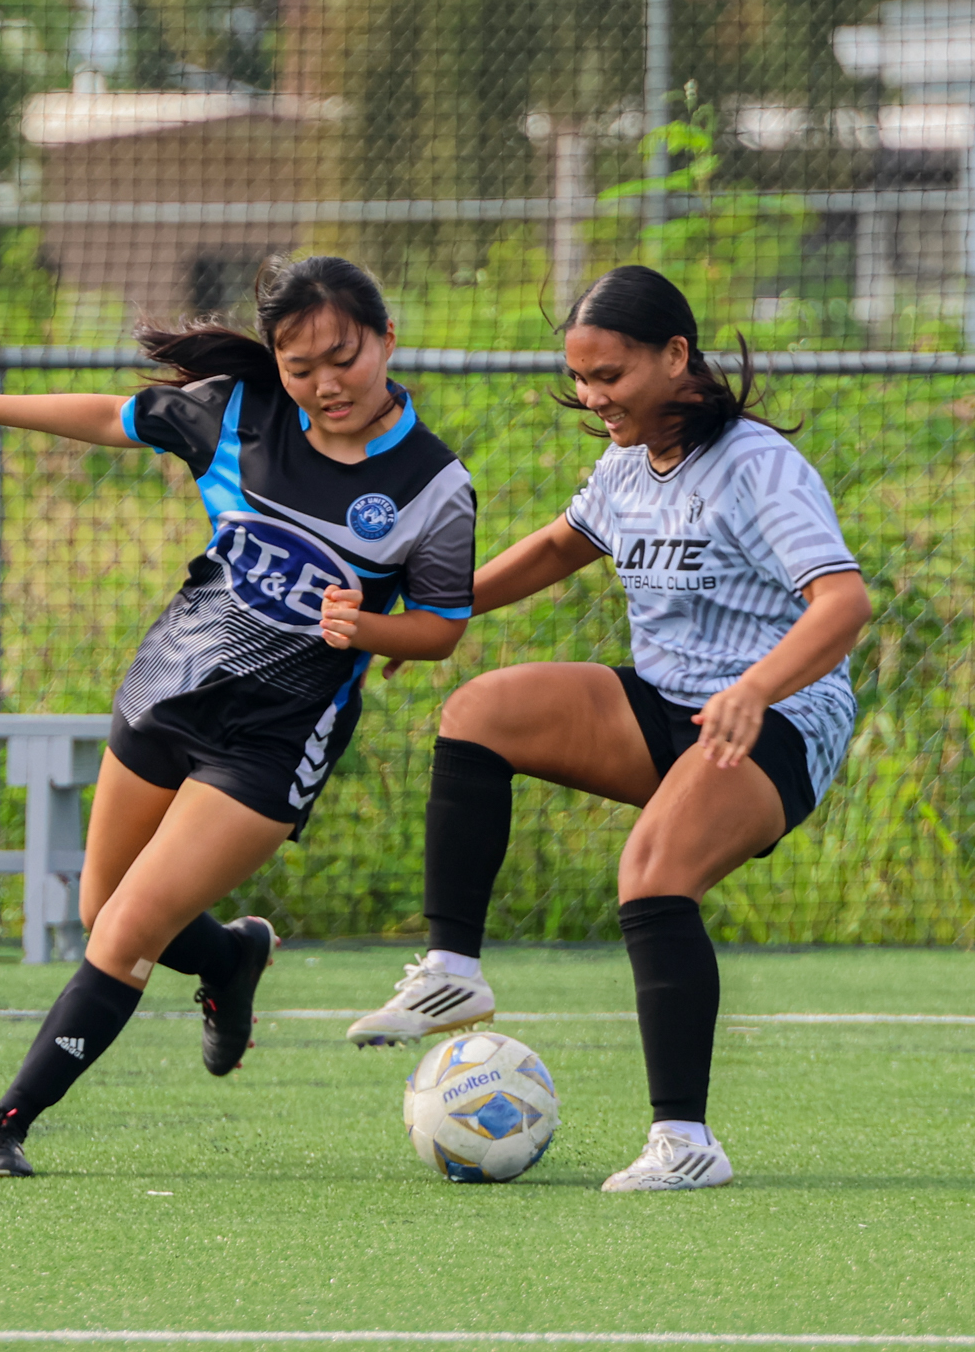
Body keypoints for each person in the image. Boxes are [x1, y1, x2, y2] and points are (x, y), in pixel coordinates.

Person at [0, 256, 477, 1179]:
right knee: (103, 907)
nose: (326, 383)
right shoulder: (234, 413)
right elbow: (112, 417)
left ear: (387, 338)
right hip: (167, 691)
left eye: (344, 356)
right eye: (300, 365)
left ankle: (5, 1119)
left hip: (273, 741)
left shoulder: (434, 486)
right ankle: (232, 958)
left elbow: (442, 625)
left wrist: (369, 626)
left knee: (123, 933)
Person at [346, 265, 871, 1192]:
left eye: (610, 378)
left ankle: (685, 1141)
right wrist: (433, 611)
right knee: (478, 712)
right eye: (581, 379)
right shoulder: (628, 463)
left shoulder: (758, 464)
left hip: (778, 715)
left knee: (653, 874)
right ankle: (453, 970)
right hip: (668, 702)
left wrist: (755, 688)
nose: (592, 399)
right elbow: (559, 545)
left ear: (677, 357)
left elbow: (842, 603)